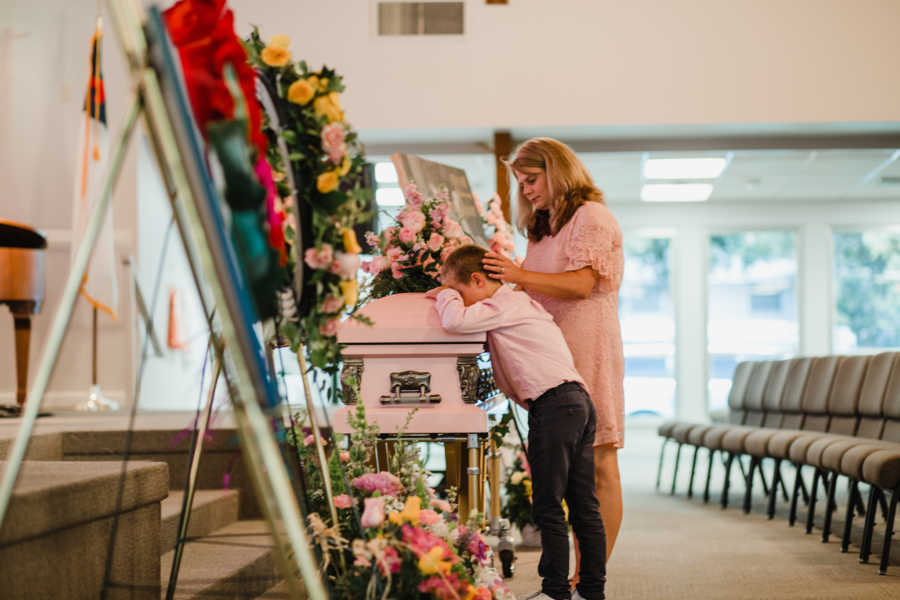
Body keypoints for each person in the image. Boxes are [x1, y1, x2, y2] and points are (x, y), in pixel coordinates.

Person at [426, 244, 606, 600]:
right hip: (576, 402)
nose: (457, 299)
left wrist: (444, 294)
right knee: (583, 504)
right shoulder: (514, 304)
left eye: (460, 292)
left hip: (555, 405)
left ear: (477, 280)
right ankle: (591, 591)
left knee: (549, 504)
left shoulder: (502, 304)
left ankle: (555, 591)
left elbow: (454, 321)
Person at [482, 138, 625, 573]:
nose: (525, 190)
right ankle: (580, 572)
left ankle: (589, 573)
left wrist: (518, 274)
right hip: (551, 355)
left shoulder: (591, 217)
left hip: (588, 347)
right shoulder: (543, 226)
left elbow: (581, 285)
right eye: (520, 182)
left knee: (598, 461)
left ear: (558, 171)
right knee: (569, 474)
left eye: (531, 179)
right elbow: (530, 286)